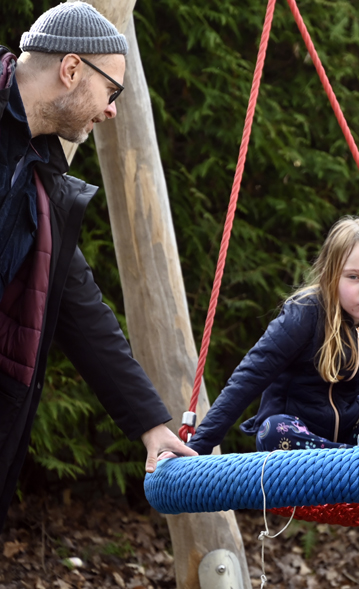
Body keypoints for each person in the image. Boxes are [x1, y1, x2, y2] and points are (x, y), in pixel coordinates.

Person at [0, 2, 195, 531]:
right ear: (71, 69)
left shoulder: (43, 184)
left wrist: (152, 426)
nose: (111, 111)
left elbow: (82, 312)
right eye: (112, 91)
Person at [186, 217, 359, 455]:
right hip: (299, 436)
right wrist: (199, 445)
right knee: (273, 430)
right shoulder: (306, 313)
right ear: (331, 276)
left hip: (353, 433)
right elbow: (249, 377)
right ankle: (358, 463)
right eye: (354, 277)